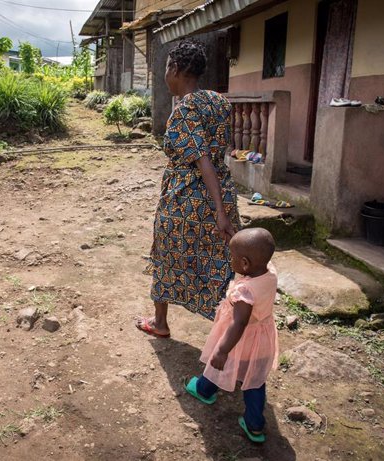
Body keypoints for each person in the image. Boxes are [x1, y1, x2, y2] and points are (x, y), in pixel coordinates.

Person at [136, 39, 240, 337]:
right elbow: (217, 154)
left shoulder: (184, 109)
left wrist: (218, 212)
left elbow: (202, 159)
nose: (166, 76)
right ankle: (231, 332)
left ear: (176, 69)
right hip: (222, 190)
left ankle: (160, 322)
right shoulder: (219, 102)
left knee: (167, 253)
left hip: (186, 198)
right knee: (219, 262)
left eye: (167, 68)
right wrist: (223, 208)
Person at [184, 228, 278, 443]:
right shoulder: (269, 272)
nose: (230, 259)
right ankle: (255, 425)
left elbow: (239, 323)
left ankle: (204, 390)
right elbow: (256, 253)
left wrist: (222, 349)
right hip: (262, 338)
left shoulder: (244, 292)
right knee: (254, 380)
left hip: (240, 339)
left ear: (245, 263)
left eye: (232, 256)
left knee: (221, 364)